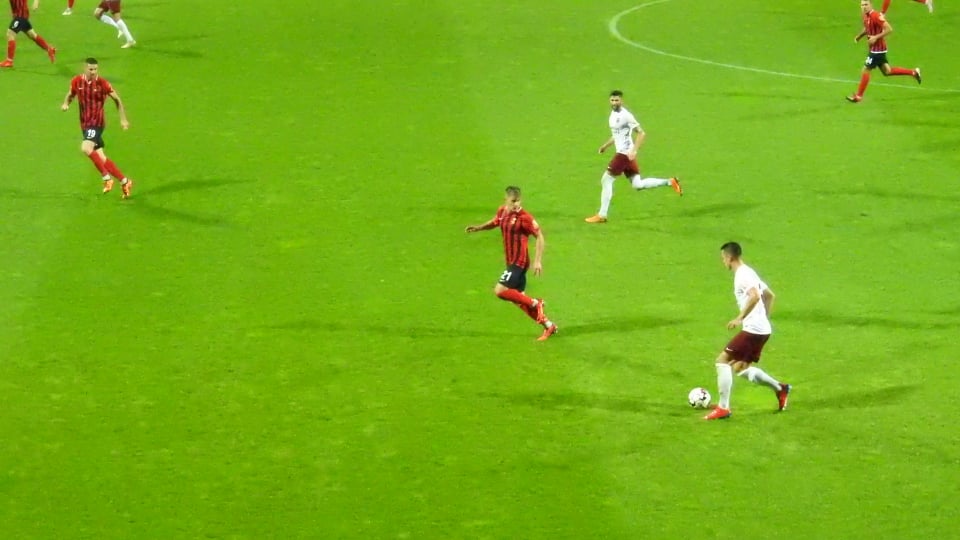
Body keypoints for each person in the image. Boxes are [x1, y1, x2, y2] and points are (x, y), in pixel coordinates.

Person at [704, 242, 791, 420]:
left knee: (722, 361)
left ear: (729, 257)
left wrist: (740, 317)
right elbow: (770, 296)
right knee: (739, 368)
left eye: (723, 258)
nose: (723, 262)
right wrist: (763, 318)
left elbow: (756, 296)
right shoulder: (749, 271)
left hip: (753, 330)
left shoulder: (742, 275)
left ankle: (723, 408)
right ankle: (780, 388)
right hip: (761, 329)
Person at [465, 186, 559, 341]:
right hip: (511, 262)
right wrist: (478, 228)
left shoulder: (525, 218)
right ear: (506, 200)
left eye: (518, 201)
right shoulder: (502, 212)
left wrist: (538, 261)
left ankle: (536, 303)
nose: (516, 204)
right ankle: (549, 326)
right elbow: (495, 222)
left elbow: (540, 236)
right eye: (513, 201)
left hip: (519, 262)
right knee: (519, 300)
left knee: (500, 290)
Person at [584, 90, 682, 224]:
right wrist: (605, 146)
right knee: (637, 184)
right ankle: (670, 182)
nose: (614, 103)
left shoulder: (626, 116)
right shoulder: (613, 114)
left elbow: (641, 133)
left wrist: (634, 151)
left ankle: (602, 215)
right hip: (626, 154)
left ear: (621, 101)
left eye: (617, 100)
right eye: (612, 100)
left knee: (606, 180)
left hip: (624, 154)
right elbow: (616, 134)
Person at [61, 57, 135, 198]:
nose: (93, 72)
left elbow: (117, 99)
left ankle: (106, 178)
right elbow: (71, 94)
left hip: (97, 123)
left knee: (86, 148)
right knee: (101, 158)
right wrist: (66, 103)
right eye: (91, 69)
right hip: (85, 124)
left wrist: (123, 119)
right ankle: (125, 181)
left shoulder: (103, 84)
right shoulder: (77, 81)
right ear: (85, 68)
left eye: (95, 69)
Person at [847, 0, 921, 103]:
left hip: (878, 50)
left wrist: (875, 37)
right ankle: (913, 72)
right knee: (887, 71)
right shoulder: (866, 16)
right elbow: (867, 27)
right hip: (875, 49)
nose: (864, 7)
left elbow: (889, 29)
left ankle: (859, 96)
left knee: (866, 69)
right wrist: (859, 36)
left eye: (866, 4)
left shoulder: (876, 16)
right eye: (862, 5)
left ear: (871, 5)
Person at [0, 0, 56, 68]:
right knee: (32, 35)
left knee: (10, 33)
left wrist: (36, 1)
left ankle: (9, 61)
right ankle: (49, 49)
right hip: (22, 16)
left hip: (20, 16)